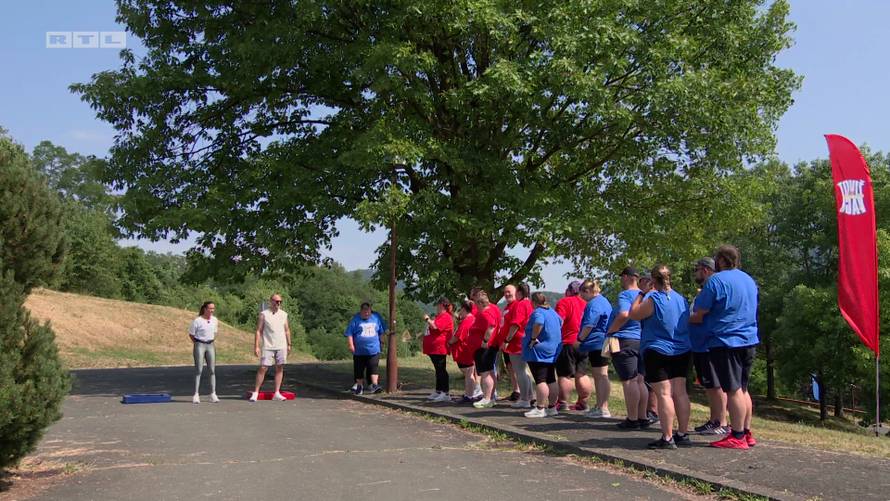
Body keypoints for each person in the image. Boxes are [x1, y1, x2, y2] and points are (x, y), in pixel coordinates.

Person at [689, 245, 760, 449]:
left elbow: (701, 311)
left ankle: (736, 436)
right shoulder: (748, 280)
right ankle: (746, 432)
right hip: (749, 339)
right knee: (743, 389)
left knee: (732, 389)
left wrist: (688, 320)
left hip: (726, 340)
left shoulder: (716, 280)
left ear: (720, 260)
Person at [629, 266, 693, 449]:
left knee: (664, 394)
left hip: (658, 349)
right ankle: (683, 433)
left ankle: (667, 437)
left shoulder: (653, 299)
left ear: (653, 281)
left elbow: (633, 314)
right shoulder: (681, 299)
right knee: (680, 392)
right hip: (681, 350)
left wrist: (642, 293)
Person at [689, 257, 729, 435]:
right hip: (700, 344)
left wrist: (682, 320)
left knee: (715, 385)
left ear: (705, 270)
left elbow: (699, 315)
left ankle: (721, 422)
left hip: (707, 344)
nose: (695, 273)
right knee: (709, 385)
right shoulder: (705, 289)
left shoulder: (712, 286)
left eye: (697, 269)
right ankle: (714, 420)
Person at [606, 267, 648, 429]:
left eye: (622, 277)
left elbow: (624, 314)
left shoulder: (625, 295)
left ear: (628, 277)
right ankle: (642, 416)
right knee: (640, 380)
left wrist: (612, 330)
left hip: (626, 340)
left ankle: (632, 419)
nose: (620, 280)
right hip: (642, 341)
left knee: (629, 381)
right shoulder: (647, 296)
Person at [522, 292, 564, 418]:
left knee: (540, 379)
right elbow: (561, 322)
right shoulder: (552, 312)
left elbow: (539, 323)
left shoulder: (538, 312)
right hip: (553, 349)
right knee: (551, 378)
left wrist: (534, 338)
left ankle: (540, 408)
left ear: (533, 302)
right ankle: (552, 407)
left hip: (539, 351)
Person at [574, 280, 612, 417]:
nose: (581, 297)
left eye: (582, 294)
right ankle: (601, 405)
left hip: (597, 343)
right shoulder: (604, 301)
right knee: (601, 375)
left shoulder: (594, 304)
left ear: (587, 291)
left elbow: (589, 324)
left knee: (600, 376)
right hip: (602, 342)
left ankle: (602, 408)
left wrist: (579, 340)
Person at [249, 294, 292, 402]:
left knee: (280, 367)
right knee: (263, 367)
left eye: (280, 302)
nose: (278, 303)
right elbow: (259, 330)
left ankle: (277, 392)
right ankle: (256, 392)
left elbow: (287, 330)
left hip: (281, 345)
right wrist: (256, 346)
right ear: (271, 301)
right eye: (276, 301)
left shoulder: (283, 314)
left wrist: (289, 344)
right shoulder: (264, 314)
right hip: (268, 345)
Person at [555, 280, 588, 411]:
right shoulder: (587, 303)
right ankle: (583, 402)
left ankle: (562, 402)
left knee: (564, 374)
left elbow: (559, 322)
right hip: (584, 342)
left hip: (568, 342)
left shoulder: (564, 302)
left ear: (569, 291)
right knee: (582, 374)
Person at [500, 284, 534, 409]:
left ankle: (525, 399)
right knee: (524, 371)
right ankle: (530, 396)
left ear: (518, 292)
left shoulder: (521, 304)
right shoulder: (530, 303)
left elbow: (516, 324)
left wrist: (507, 339)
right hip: (526, 340)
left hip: (517, 342)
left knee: (520, 371)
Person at [344, 302, 388, 395]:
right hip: (359, 351)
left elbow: (381, 331)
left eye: (368, 311)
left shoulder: (376, 318)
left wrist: (382, 342)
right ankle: (359, 386)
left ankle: (374, 385)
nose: (366, 313)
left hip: (374, 349)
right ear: (361, 311)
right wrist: (351, 345)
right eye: (364, 311)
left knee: (373, 367)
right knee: (359, 369)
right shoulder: (356, 319)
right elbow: (349, 333)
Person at [472, 291, 502, 408]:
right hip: (490, 346)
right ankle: (491, 398)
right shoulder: (491, 310)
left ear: (480, 303)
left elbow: (491, 326)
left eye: (476, 303)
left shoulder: (486, 312)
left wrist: (485, 341)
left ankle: (487, 398)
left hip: (485, 348)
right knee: (489, 372)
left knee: (485, 373)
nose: (475, 306)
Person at [423, 298, 455, 402]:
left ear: (441, 305)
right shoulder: (440, 316)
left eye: (438, 304)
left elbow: (436, 327)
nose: (436, 306)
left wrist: (428, 319)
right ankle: (438, 390)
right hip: (434, 348)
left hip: (440, 348)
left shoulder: (446, 317)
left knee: (441, 370)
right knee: (438, 370)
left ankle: (445, 392)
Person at [449, 298, 481, 402]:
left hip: (465, 351)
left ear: (464, 309)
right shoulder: (469, 319)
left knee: (468, 373)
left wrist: (449, 342)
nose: (459, 312)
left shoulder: (468, 320)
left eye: (460, 309)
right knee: (469, 373)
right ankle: (469, 394)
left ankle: (469, 395)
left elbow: (458, 336)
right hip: (466, 351)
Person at [189, 301, 219, 404]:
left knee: (212, 370)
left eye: (213, 309)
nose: (212, 310)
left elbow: (215, 332)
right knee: (199, 370)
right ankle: (196, 394)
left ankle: (213, 393)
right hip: (200, 344)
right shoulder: (197, 320)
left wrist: (210, 340)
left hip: (210, 345)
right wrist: (197, 343)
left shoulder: (215, 320)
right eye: (210, 308)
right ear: (205, 309)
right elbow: (191, 334)